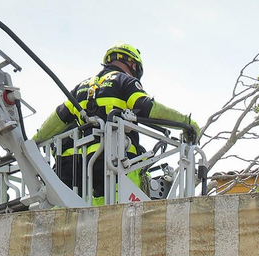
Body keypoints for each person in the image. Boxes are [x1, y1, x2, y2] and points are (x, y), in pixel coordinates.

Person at [31, 43, 201, 201]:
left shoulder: (81, 88)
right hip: (120, 165)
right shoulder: (124, 80)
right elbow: (147, 107)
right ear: (133, 65)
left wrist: (31, 143)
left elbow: (56, 120)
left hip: (85, 171)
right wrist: (186, 123)